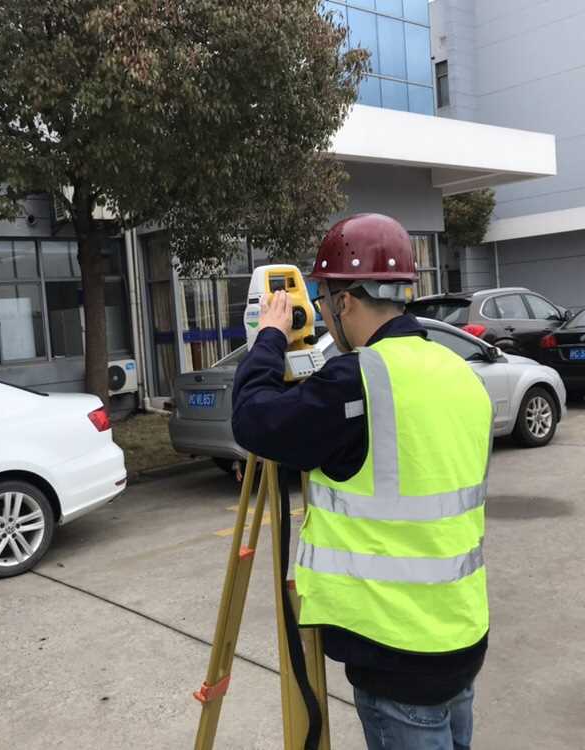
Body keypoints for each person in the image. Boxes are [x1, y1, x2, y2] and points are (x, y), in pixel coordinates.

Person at [232, 213, 492, 750]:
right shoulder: (457, 372)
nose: (325, 314)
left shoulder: (360, 378)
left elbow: (255, 420)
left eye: (326, 300)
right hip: (461, 634)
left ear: (344, 301)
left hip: (397, 650)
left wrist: (269, 339)